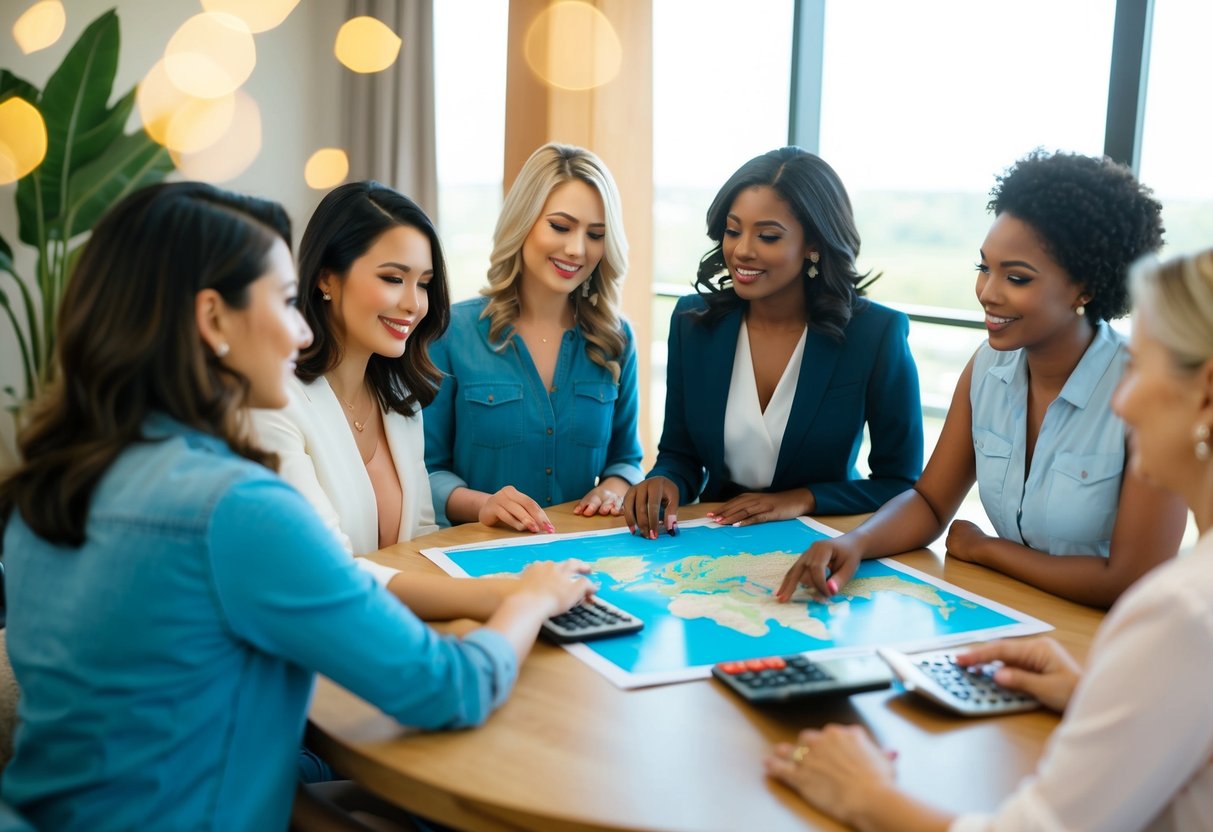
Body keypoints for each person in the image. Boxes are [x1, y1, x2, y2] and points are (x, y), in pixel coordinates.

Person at [0, 182, 592, 829]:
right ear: (212, 319)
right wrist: (530, 597)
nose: (301, 329)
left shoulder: (50, 483)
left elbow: (178, 740)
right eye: (285, 302)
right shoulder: (239, 507)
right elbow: (449, 688)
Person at [766, 247, 1213, 831]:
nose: (1123, 401)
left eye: (1144, 368)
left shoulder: (1183, 612)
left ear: (1205, 394)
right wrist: (1094, 696)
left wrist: (864, 793)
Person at [779, 151, 1186, 608]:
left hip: (1109, 640)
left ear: (1085, 288)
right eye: (984, 268)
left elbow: (1133, 580)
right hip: (1018, 614)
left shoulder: (1150, 392)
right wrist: (855, 543)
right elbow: (931, 502)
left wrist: (988, 550)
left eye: (1016, 277)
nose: (988, 294)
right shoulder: (988, 368)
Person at [251, 182, 528, 621]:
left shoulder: (399, 400)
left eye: (424, 284)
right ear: (326, 277)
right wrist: (503, 598)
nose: (414, 304)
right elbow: (329, 570)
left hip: (393, 632)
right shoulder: (274, 403)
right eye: (392, 279)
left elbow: (418, 541)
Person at [623, 146, 923, 538]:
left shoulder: (875, 334)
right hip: (715, 535)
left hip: (819, 539)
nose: (742, 250)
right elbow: (681, 454)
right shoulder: (692, 323)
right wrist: (666, 481)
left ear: (813, 243)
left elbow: (901, 483)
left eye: (767, 236)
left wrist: (803, 498)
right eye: (733, 230)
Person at [424, 143, 644, 532]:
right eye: (560, 226)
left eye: (596, 234)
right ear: (523, 222)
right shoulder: (451, 332)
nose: (577, 249)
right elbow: (425, 470)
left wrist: (613, 488)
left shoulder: (617, 338)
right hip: (475, 561)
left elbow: (626, 459)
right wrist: (484, 505)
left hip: (580, 562)